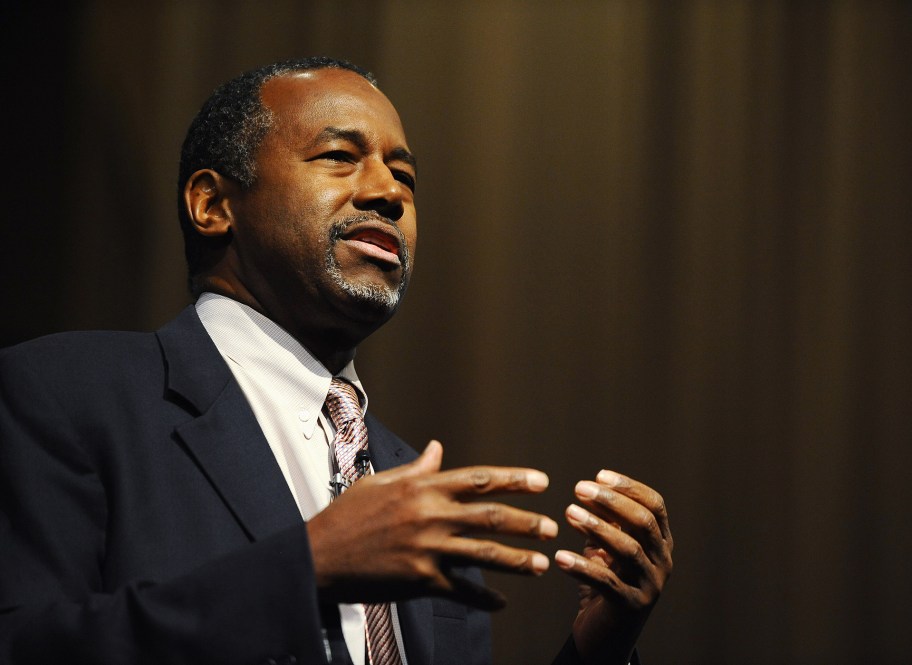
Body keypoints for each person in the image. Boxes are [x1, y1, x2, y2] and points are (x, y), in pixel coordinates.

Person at [0, 56, 672, 665]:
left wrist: (599, 648)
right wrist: (306, 566)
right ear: (212, 204)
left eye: (403, 173)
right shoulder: (64, 393)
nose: (389, 191)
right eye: (339, 156)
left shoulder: (418, 492)